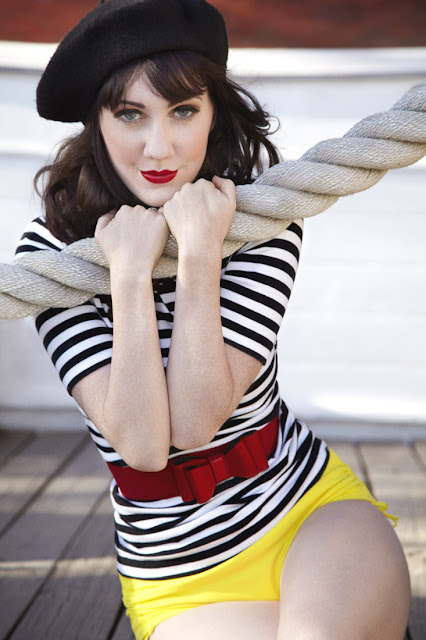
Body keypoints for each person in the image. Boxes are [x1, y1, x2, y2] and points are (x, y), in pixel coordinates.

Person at [16, 1, 411, 638]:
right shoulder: (52, 253)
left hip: (308, 514)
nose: (159, 147)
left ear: (213, 113)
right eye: (129, 114)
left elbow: (197, 422)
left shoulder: (259, 220)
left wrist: (201, 253)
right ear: (97, 121)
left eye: (183, 110)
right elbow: (146, 447)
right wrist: (127, 276)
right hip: (178, 577)